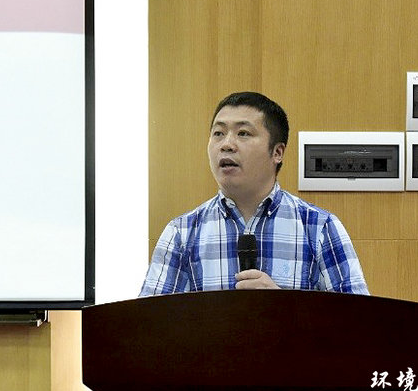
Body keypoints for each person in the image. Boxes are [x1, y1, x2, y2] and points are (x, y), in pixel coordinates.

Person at [140, 92, 368, 296]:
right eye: (218, 133)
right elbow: (150, 324)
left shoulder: (319, 227)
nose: (227, 144)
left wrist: (287, 309)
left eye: (243, 133)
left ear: (277, 152)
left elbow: (358, 322)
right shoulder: (181, 233)